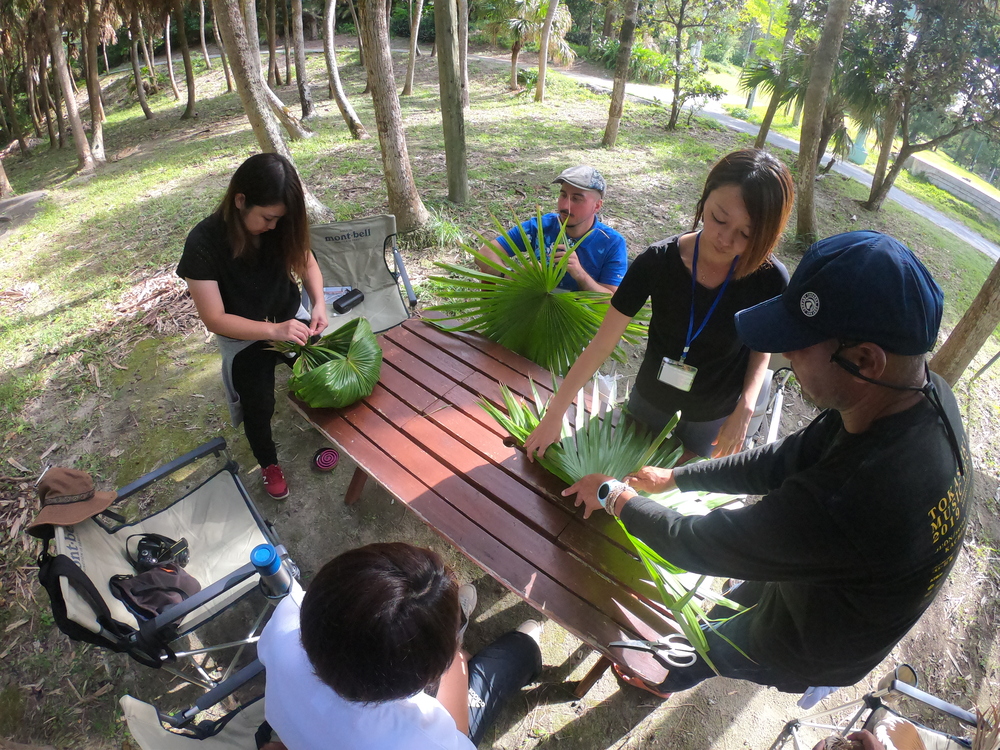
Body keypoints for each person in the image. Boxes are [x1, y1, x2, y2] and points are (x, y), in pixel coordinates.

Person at [564, 231, 971, 699]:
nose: (784, 356)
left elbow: (697, 543)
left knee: (727, 647)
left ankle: (667, 679)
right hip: (826, 579)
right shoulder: (922, 392)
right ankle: (687, 655)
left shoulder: (850, 501)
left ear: (865, 360)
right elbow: (785, 457)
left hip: (810, 641)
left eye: (797, 343)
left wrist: (613, 494)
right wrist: (676, 476)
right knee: (734, 606)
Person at [524, 148, 795, 460]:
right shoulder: (658, 260)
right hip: (649, 400)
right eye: (719, 218)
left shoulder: (770, 278)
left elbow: (761, 344)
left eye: (747, 234)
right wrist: (555, 413)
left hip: (714, 415)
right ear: (705, 198)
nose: (725, 239)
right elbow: (602, 343)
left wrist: (747, 403)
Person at [256, 543, 543, 750]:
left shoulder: (286, 617)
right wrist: (454, 660)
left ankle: (458, 625)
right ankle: (522, 647)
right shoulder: (421, 739)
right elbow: (459, 739)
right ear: (428, 679)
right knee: (511, 659)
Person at [177, 153, 327, 500]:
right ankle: (268, 462)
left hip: (290, 318)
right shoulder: (203, 243)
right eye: (267, 218)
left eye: (279, 219)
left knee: (325, 369)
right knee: (257, 403)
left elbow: (307, 262)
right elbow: (214, 318)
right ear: (240, 200)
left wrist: (317, 302)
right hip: (244, 336)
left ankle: (322, 416)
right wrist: (273, 331)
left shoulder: (279, 226)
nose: (274, 226)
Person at [475, 165, 627, 293]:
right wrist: (513, 276)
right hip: (532, 314)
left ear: (597, 206)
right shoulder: (541, 227)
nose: (565, 206)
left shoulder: (611, 243)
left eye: (576, 199)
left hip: (581, 325)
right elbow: (485, 253)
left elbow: (613, 304)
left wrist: (580, 275)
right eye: (563, 195)